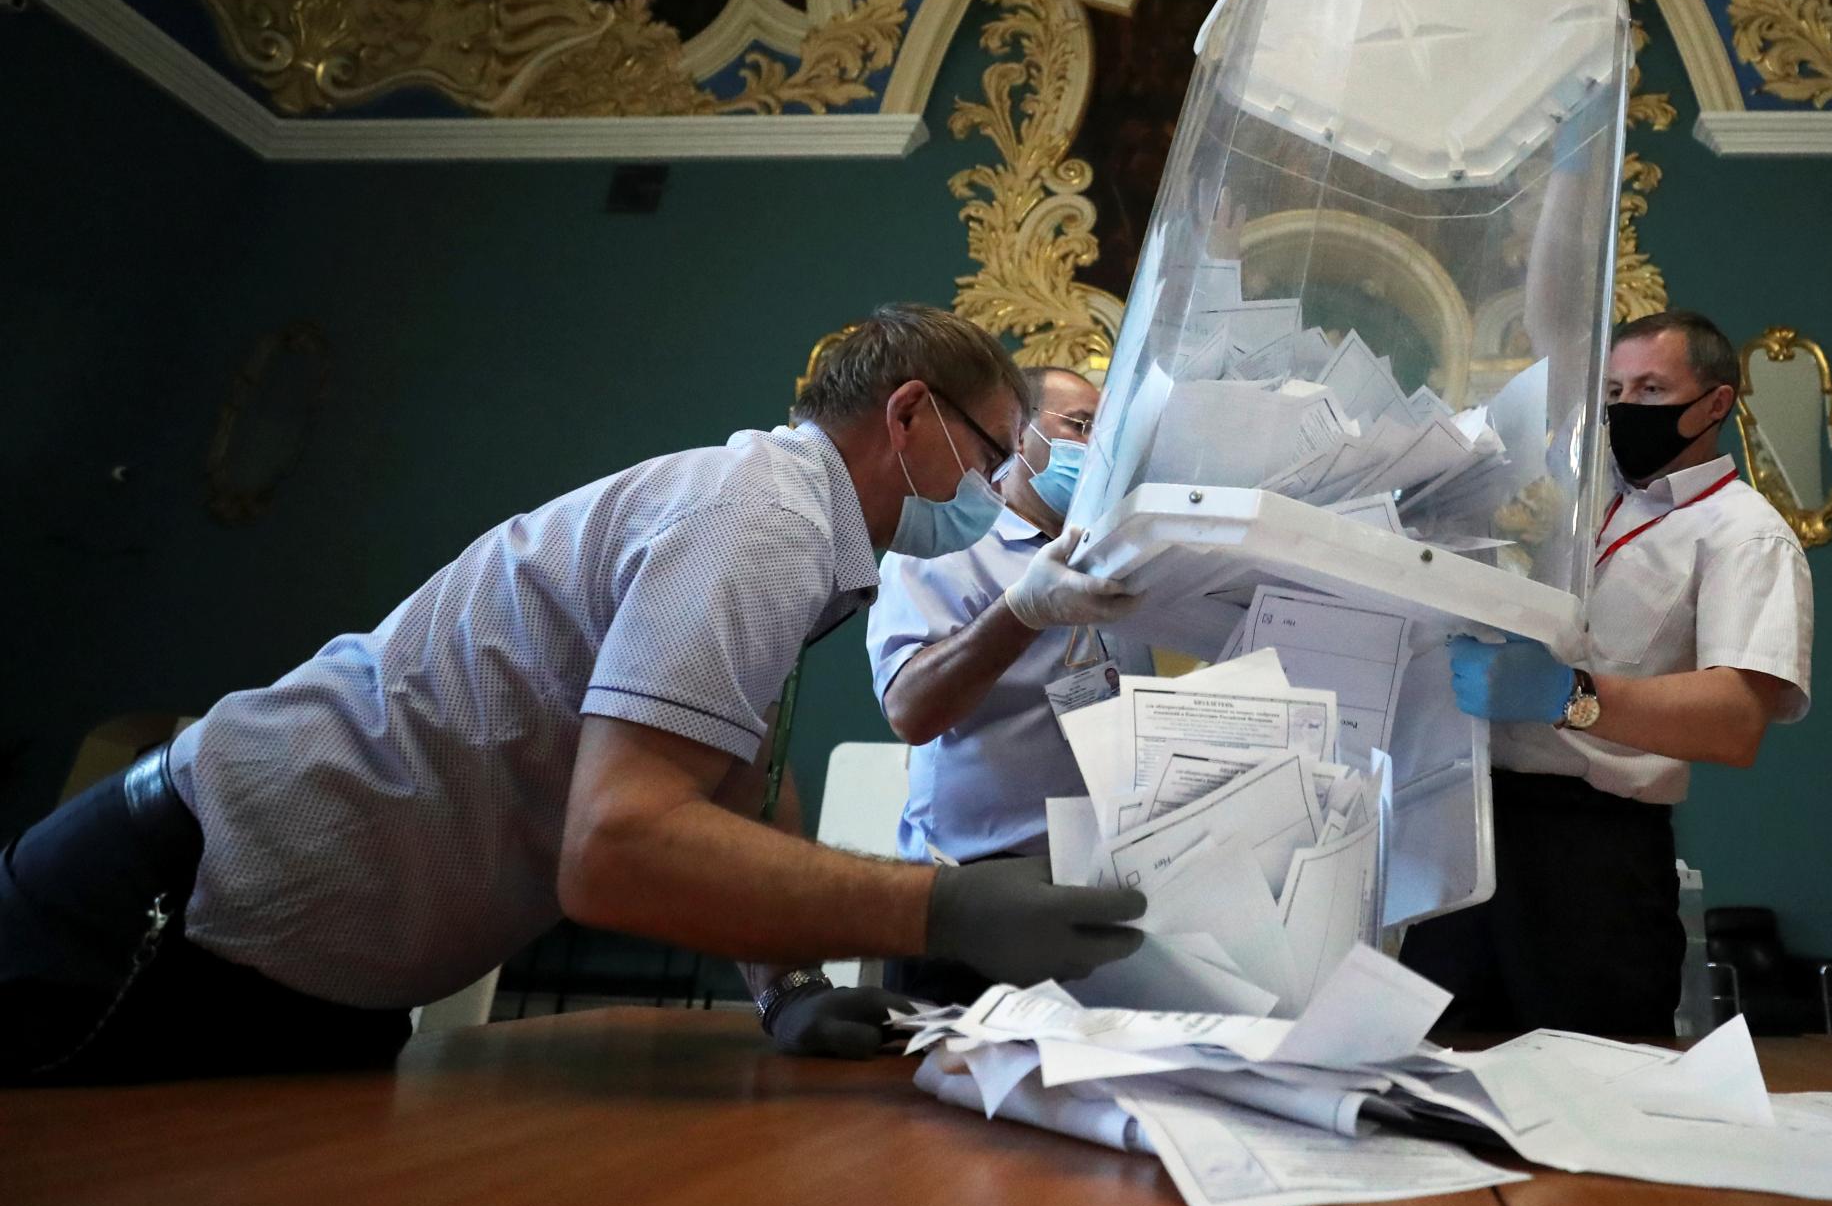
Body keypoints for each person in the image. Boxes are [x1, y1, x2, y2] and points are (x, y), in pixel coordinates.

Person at [0, 305, 1147, 1084]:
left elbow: (739, 779)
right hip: (172, 921)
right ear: (907, 417)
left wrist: (787, 985)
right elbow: (618, 846)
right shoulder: (764, 516)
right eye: (993, 451)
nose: (999, 487)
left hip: (298, 964)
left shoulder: (795, 529)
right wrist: (941, 909)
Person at [1403, 308, 1812, 1036]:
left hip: (1593, 857)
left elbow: (1737, 718)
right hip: (1475, 834)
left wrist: (1568, 696)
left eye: (1652, 391)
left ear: (1716, 403)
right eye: (1616, 394)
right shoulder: (1586, 505)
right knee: (1436, 1070)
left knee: (1594, 1089)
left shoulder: (1745, 534)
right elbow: (1547, 312)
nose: (1628, 410)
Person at [868, 366, 1144, 1001]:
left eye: (1112, 432)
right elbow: (909, 710)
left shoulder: (1119, 553)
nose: (1099, 446)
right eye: (1080, 426)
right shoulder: (946, 545)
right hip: (972, 898)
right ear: (1020, 436)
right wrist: (1023, 610)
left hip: (1094, 888)